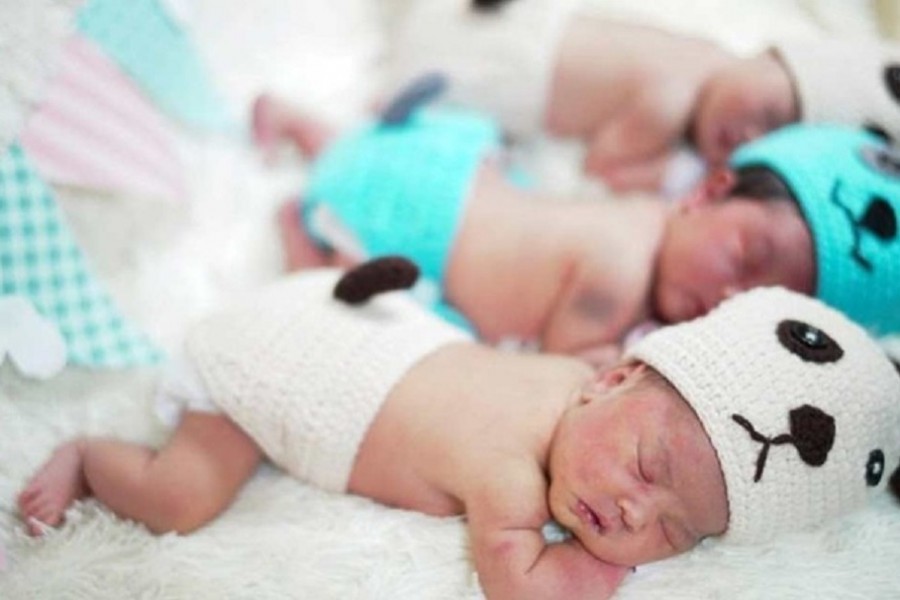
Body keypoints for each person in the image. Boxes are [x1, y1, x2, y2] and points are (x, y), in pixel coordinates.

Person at [17, 258, 900, 600]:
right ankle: (92, 456)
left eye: (675, 531)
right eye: (646, 467)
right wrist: (599, 568)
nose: (633, 516)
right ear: (618, 376)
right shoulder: (511, 481)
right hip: (268, 375)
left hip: (356, 319)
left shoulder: (575, 378)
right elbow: (522, 587)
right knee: (182, 498)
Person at [256, 90, 900, 361]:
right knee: (341, 304)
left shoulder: (660, 214)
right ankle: (298, 241)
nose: (733, 296)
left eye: (766, 301)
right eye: (743, 260)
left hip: (455, 174)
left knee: (348, 145)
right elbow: (564, 362)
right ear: (709, 190)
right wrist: (605, 360)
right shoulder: (619, 278)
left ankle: (297, 121)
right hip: (421, 234)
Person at [386, 2, 900, 192]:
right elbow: (604, 166)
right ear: (769, 55)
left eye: (768, 143)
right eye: (768, 114)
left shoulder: (711, 58)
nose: (746, 138)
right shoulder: (673, 97)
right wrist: (681, 173)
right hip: (494, 68)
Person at [693, 37, 900, 168]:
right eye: (769, 116)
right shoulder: (689, 66)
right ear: (771, 58)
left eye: (771, 148)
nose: (750, 143)